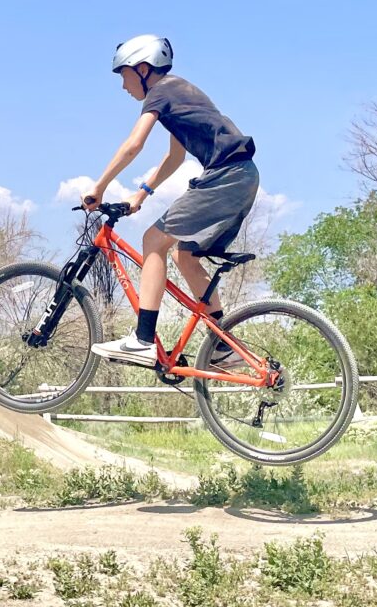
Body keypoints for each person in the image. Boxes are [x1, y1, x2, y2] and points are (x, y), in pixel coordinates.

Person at [83, 34, 259, 368]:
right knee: (185, 255)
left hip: (226, 175)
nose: (123, 86)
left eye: (125, 75)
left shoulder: (161, 93)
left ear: (144, 69)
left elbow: (134, 144)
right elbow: (175, 157)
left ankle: (142, 340)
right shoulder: (180, 93)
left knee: (152, 240)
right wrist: (141, 194)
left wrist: (99, 187)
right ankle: (222, 345)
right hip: (242, 175)